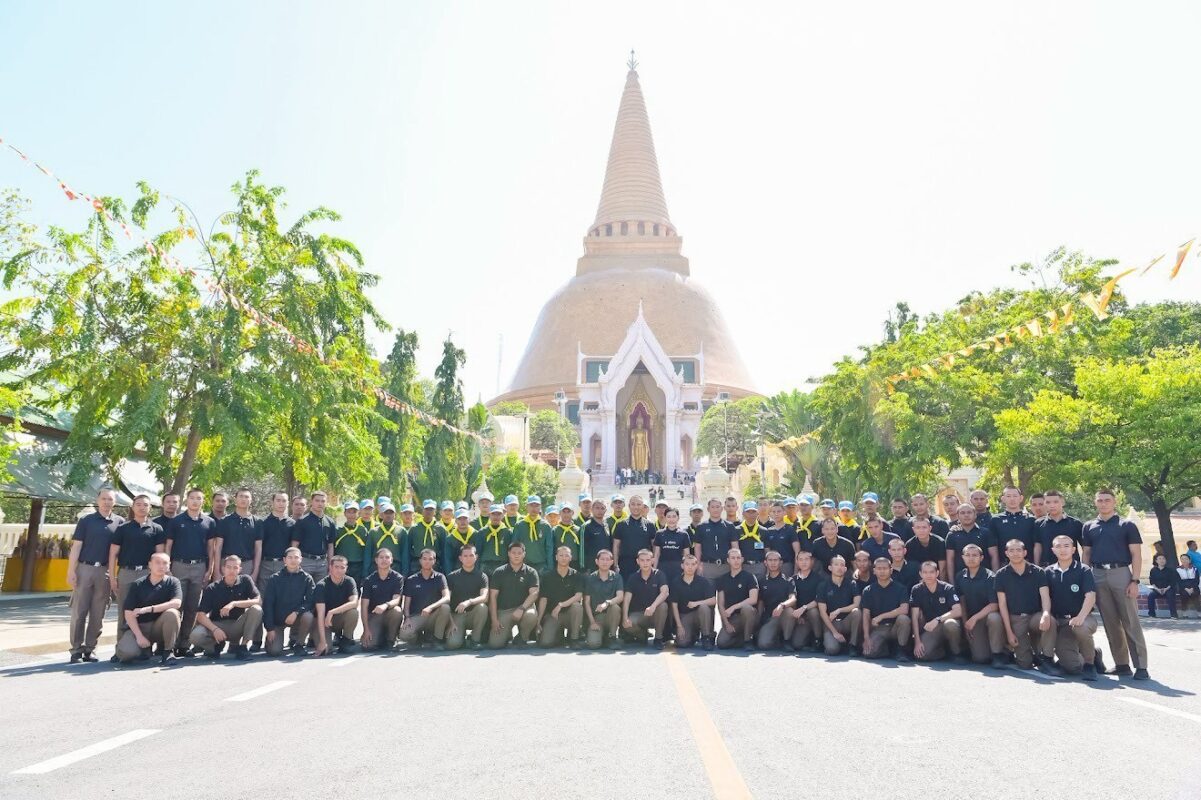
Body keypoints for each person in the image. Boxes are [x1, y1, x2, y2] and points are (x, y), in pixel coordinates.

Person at [1082, 489, 1149, 680]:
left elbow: (1136, 554)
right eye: (1100, 500)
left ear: (1114, 502)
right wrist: (1086, 580)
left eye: (1107, 500)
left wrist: (1135, 580)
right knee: (1110, 622)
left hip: (1121, 573)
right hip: (1097, 574)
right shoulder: (1088, 526)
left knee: (1130, 621)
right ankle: (1122, 664)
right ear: (1095, 502)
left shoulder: (1126, 525)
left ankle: (1141, 666)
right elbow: (1086, 554)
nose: (1103, 503)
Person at [164, 487, 217, 658]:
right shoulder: (176, 521)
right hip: (179, 565)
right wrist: (168, 567)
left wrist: (210, 569)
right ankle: (170, 645)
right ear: (187, 500)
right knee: (176, 605)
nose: (195, 501)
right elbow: (168, 546)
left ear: (203, 501)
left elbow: (211, 548)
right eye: (192, 498)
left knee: (192, 608)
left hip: (199, 566)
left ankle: (184, 644)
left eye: (199, 498)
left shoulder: (209, 522)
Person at [1042, 535, 1099, 680]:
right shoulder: (1048, 571)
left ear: (1073, 549)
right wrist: (1046, 614)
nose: (1063, 550)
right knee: (1072, 667)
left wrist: (1081, 616)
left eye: (1066, 546)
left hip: (1082, 619)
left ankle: (1090, 664)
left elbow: (1090, 595)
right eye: (1058, 546)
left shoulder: (1083, 570)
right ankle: (1094, 653)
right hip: (1060, 621)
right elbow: (1046, 597)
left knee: (1080, 628)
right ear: (1053, 550)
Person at [108, 494, 163, 644]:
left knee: (146, 610)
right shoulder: (123, 528)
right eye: (138, 504)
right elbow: (113, 554)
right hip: (126, 573)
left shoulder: (157, 529)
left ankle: (146, 646)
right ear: (132, 507)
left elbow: (160, 556)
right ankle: (121, 647)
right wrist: (112, 578)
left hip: (147, 573)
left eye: (145, 505)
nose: (142, 507)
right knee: (124, 611)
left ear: (150, 508)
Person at [994, 539, 1053, 672]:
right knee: (1025, 664)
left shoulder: (1038, 571)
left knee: (1051, 621)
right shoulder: (1001, 575)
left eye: (1018, 550)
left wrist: (1046, 613)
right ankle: (1023, 651)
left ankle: (1047, 658)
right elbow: (1002, 605)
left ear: (1025, 552)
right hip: (1016, 618)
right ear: (1006, 553)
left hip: (1035, 616)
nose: (1015, 553)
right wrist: (1009, 632)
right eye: (1011, 551)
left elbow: (1045, 597)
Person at [189, 555, 262, 660]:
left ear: (240, 569)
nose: (231, 570)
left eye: (235, 567)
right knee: (195, 635)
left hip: (237, 625)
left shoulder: (246, 580)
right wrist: (215, 629)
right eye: (228, 567)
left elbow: (258, 601)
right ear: (223, 569)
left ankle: (243, 647)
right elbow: (200, 615)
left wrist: (234, 603)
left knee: (256, 609)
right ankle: (214, 647)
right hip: (218, 625)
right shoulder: (213, 587)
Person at [115, 552, 183, 665]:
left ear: (169, 566)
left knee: (172, 613)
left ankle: (168, 651)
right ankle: (144, 649)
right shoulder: (138, 584)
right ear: (150, 565)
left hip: (158, 627)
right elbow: (128, 613)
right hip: (140, 627)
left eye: (165, 563)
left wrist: (149, 609)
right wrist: (139, 636)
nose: (161, 566)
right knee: (126, 654)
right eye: (157, 563)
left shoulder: (173, 582)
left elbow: (176, 603)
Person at [954, 544, 1007, 668]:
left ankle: (998, 654)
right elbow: (962, 602)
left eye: (974, 555)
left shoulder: (990, 576)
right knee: (980, 658)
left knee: (994, 617)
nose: (971, 558)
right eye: (967, 555)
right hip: (973, 621)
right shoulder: (960, 576)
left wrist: (974, 618)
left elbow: (994, 605)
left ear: (981, 558)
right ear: (963, 557)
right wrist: (966, 623)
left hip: (986, 617)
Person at [261, 547, 316, 657]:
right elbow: (268, 605)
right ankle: (271, 641)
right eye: (290, 557)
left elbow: (310, 601)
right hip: (278, 620)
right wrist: (270, 628)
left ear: (301, 559)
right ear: (284, 560)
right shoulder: (274, 578)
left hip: (296, 617)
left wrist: (296, 612)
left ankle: (299, 644)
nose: (293, 560)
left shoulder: (307, 578)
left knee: (308, 616)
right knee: (274, 651)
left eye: (296, 557)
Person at [488, 541, 540, 648]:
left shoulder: (531, 572)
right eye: (513, 553)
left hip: (523, 609)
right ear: (508, 554)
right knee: (495, 645)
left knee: (531, 615)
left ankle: (522, 637)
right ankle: (507, 635)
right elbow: (493, 597)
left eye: (519, 553)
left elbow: (534, 594)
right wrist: (494, 620)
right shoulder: (499, 572)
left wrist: (522, 608)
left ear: (524, 554)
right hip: (504, 611)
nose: (516, 555)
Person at [909, 562, 963, 663]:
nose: (928, 575)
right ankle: (942, 651)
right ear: (920, 574)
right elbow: (915, 617)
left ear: (937, 573)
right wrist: (917, 641)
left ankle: (956, 653)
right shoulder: (916, 589)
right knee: (921, 655)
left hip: (946, 623)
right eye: (925, 572)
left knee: (950, 624)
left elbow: (958, 611)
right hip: (931, 628)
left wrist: (937, 620)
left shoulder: (947, 588)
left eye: (931, 572)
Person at [860, 557, 912, 661]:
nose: (882, 571)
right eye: (879, 569)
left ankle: (901, 650)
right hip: (879, 628)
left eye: (885, 568)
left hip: (896, 627)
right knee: (869, 653)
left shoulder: (900, 588)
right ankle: (886, 649)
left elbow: (904, 609)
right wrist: (866, 637)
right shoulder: (868, 590)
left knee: (904, 619)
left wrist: (881, 616)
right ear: (874, 571)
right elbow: (866, 615)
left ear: (891, 570)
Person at [399, 548, 451, 649]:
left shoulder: (440, 577)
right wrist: (407, 618)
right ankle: (418, 638)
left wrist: (431, 607)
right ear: (420, 560)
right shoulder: (411, 579)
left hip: (434, 616)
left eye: (430, 559)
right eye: (424, 559)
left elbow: (447, 597)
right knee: (404, 634)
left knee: (445, 607)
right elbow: (406, 604)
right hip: (417, 616)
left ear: (434, 561)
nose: (427, 561)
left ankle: (437, 639)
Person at [442, 544, 490, 650]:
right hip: (457, 616)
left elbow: (484, 597)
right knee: (453, 644)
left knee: (482, 607)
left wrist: (468, 602)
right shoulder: (452, 576)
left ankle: (475, 640)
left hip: (473, 614)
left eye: (471, 555)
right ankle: (461, 637)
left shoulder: (482, 576)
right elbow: (446, 601)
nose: (468, 558)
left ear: (476, 557)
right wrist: (450, 622)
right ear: (460, 558)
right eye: (465, 556)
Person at [537, 545, 584, 648]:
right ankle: (559, 635)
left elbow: (578, 596)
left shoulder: (576, 575)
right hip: (553, 615)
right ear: (556, 557)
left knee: (577, 606)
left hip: (569, 614)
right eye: (561, 555)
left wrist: (561, 605)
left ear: (571, 558)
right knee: (545, 643)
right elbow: (543, 599)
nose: (563, 558)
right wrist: (538, 621)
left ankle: (574, 638)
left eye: (566, 555)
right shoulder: (547, 576)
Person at [312, 555, 360, 656]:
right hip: (323, 621)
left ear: (346, 568)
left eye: (342, 567)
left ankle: (345, 642)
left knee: (353, 612)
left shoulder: (349, 581)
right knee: (326, 650)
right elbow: (320, 614)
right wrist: (322, 641)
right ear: (330, 567)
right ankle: (314, 638)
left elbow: (354, 603)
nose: (339, 570)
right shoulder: (321, 585)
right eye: (336, 567)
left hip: (337, 618)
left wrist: (332, 612)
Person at [622, 549, 670, 648]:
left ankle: (658, 638)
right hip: (639, 614)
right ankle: (642, 636)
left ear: (652, 560)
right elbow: (626, 599)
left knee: (663, 605)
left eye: (648, 560)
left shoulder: (659, 574)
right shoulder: (632, 577)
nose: (645, 563)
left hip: (655, 613)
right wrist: (625, 618)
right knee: (628, 625)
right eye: (642, 560)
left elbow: (665, 592)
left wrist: (653, 606)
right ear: (637, 561)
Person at [359, 549, 404, 651]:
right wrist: (366, 629)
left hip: (390, 613)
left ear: (391, 560)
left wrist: (385, 605)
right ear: (376, 560)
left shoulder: (397, 578)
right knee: (368, 646)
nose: (384, 560)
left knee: (397, 611)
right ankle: (380, 636)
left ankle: (391, 639)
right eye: (381, 557)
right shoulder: (369, 580)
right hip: (375, 616)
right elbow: (364, 606)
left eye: (387, 557)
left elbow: (396, 600)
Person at [213, 487, 262, 581]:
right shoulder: (224, 521)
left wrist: (255, 572)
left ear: (251, 500)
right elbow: (218, 547)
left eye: (246, 497)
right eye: (241, 496)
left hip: (247, 565)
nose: (243, 499)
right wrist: (216, 571)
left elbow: (258, 548)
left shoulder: (257, 522)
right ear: (235, 499)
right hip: (227, 564)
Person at [817, 555, 862, 655]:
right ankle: (833, 642)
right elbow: (822, 612)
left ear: (845, 569)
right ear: (830, 567)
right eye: (836, 564)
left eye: (842, 565)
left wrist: (839, 610)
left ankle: (853, 645)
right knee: (832, 650)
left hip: (846, 621)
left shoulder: (852, 583)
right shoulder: (823, 585)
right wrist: (835, 632)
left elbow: (857, 604)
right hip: (831, 623)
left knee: (857, 612)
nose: (839, 567)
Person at [716, 549, 759, 650]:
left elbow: (753, 599)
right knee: (721, 643)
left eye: (738, 558)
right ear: (728, 560)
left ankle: (748, 640)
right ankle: (743, 638)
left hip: (749, 615)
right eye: (733, 558)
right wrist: (726, 623)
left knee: (746, 608)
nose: (736, 560)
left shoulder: (750, 577)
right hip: (733, 619)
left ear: (742, 559)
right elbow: (720, 604)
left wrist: (734, 607)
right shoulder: (722, 579)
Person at [671, 554, 715, 650]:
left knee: (704, 607)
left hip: (699, 614)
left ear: (697, 566)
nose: (690, 567)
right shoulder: (676, 582)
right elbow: (674, 606)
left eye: (693, 564)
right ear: (682, 566)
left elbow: (713, 600)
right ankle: (693, 635)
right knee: (682, 643)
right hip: (685, 616)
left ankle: (706, 637)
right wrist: (679, 626)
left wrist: (696, 603)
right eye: (687, 564)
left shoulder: (703, 581)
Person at [784, 550, 824, 652]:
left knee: (813, 611)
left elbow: (819, 599)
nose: (804, 562)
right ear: (797, 562)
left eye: (806, 559)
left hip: (816, 616)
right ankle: (808, 638)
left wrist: (804, 608)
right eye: (801, 559)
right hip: (801, 617)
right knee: (797, 644)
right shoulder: (792, 579)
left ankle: (818, 639)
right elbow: (792, 599)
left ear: (812, 561)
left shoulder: (819, 579)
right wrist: (798, 616)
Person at [292, 491, 335, 583]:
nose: (320, 503)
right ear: (312, 502)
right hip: (305, 562)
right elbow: (295, 544)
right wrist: (295, 562)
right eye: (317, 500)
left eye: (323, 501)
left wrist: (330, 564)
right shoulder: (302, 521)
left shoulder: (330, 522)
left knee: (321, 589)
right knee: (303, 589)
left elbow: (330, 546)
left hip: (323, 563)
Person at [755, 550, 796, 650]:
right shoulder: (761, 581)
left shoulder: (788, 580)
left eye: (775, 560)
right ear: (765, 563)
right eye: (770, 560)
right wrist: (759, 621)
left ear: (780, 562)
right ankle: (777, 637)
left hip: (784, 615)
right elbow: (760, 603)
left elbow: (793, 599)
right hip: (770, 618)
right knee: (763, 644)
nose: (773, 563)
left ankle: (787, 640)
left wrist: (782, 606)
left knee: (789, 610)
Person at [584, 549, 624, 649]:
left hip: (612, 616)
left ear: (612, 562)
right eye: (602, 559)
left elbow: (620, 597)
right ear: (596, 561)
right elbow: (586, 602)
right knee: (593, 644)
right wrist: (592, 622)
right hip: (597, 618)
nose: (605, 562)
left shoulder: (617, 577)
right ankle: (604, 637)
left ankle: (612, 637)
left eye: (607, 559)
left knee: (615, 607)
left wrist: (607, 603)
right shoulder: (590, 578)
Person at [1033, 490, 1083, 566]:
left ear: (1063, 502)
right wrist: (1036, 567)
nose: (1052, 505)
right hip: (1046, 568)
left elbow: (1085, 548)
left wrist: (1084, 567)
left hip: (1072, 568)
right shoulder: (1038, 524)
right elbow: (1038, 547)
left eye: (1055, 502)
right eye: (1048, 502)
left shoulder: (1076, 523)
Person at [945, 504, 997, 575]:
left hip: (985, 577)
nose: (966, 515)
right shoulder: (952, 534)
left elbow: (994, 556)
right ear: (958, 516)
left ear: (975, 515)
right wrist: (951, 581)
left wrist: (995, 577)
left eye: (969, 512)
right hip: (960, 578)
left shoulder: (986, 533)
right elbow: (950, 560)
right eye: (962, 513)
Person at [990, 487, 1037, 561]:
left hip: (1027, 563)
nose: (1012, 499)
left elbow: (1036, 545)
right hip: (1004, 563)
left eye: (1015, 496)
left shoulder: (1031, 519)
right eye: (1008, 496)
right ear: (1003, 499)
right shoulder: (995, 520)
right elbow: (993, 547)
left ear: (1021, 498)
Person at [694, 498, 736, 581]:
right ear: (708, 509)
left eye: (717, 507)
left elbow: (735, 546)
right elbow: (697, 548)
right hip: (708, 566)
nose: (715, 509)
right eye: (712, 507)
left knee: (726, 589)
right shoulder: (701, 527)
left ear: (722, 508)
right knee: (708, 589)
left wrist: (734, 564)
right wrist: (698, 565)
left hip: (726, 566)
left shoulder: (729, 526)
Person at [613, 496, 655, 577]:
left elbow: (655, 547)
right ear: (629, 506)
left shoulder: (650, 525)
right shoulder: (621, 524)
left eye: (639, 504)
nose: (636, 507)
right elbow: (616, 546)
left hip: (644, 565)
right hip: (625, 565)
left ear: (642, 506)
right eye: (633, 504)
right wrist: (615, 565)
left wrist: (654, 564)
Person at [508, 496, 553, 572]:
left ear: (540, 507)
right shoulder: (519, 525)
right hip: (522, 566)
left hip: (541, 566)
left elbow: (549, 548)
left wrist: (550, 567)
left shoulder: (545, 526)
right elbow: (514, 547)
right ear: (527, 507)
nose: (534, 508)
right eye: (531, 505)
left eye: (536, 505)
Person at [406, 499, 447, 575]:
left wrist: (444, 569)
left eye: (431, 509)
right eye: (426, 509)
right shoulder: (414, 529)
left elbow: (444, 551)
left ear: (435, 511)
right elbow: (408, 549)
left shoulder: (440, 529)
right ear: (423, 511)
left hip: (435, 565)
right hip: (417, 565)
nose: (429, 511)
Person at [652, 507, 692, 584]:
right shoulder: (659, 534)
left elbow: (687, 555)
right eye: (669, 517)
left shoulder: (684, 534)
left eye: (674, 516)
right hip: (662, 568)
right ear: (665, 518)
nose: (671, 519)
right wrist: (654, 570)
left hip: (678, 569)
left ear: (678, 518)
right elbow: (656, 555)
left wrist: (686, 570)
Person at [365, 502, 404, 577]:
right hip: (376, 568)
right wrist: (365, 572)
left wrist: (404, 572)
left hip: (396, 567)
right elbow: (368, 553)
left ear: (395, 515)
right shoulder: (374, 532)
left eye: (391, 513)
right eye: (386, 513)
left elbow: (404, 553)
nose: (388, 515)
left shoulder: (401, 531)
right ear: (381, 515)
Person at [333, 501, 367, 581]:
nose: (351, 515)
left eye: (354, 512)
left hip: (358, 566)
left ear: (358, 513)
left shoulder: (362, 530)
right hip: (341, 565)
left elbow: (366, 550)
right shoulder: (338, 530)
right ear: (345, 513)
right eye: (349, 512)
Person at [763, 503, 799, 575]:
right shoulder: (768, 531)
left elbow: (797, 551)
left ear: (784, 512)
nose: (776, 514)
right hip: (772, 566)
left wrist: (796, 572)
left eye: (779, 511)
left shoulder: (790, 529)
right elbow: (767, 552)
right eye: (774, 512)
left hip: (786, 565)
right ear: (770, 514)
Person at [478, 503, 512, 572]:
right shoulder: (482, 532)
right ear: (489, 515)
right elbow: (478, 552)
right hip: (485, 566)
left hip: (503, 565)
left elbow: (510, 551)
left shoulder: (507, 532)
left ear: (503, 515)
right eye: (493, 514)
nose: (496, 517)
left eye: (499, 514)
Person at [582, 497, 612, 570]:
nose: (600, 510)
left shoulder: (607, 525)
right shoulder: (586, 526)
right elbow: (582, 549)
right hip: (592, 567)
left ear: (605, 510)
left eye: (602, 508)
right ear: (592, 509)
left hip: (606, 565)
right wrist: (584, 568)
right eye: (597, 508)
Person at [550, 502, 583, 570]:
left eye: (568, 512)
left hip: (575, 563)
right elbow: (552, 549)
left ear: (572, 513)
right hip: (559, 563)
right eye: (564, 512)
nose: (566, 514)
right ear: (560, 513)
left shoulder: (578, 530)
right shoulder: (554, 530)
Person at [1147, 554, 1178, 619]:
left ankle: (1174, 615)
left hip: (1168, 589)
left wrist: (1166, 589)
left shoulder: (1170, 570)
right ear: (1156, 561)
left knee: (1170, 595)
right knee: (1151, 596)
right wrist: (1157, 589)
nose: (1162, 560)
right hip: (1157, 589)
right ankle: (1151, 614)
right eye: (1160, 559)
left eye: (1163, 558)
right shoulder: (1153, 570)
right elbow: (1152, 582)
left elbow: (1173, 582)